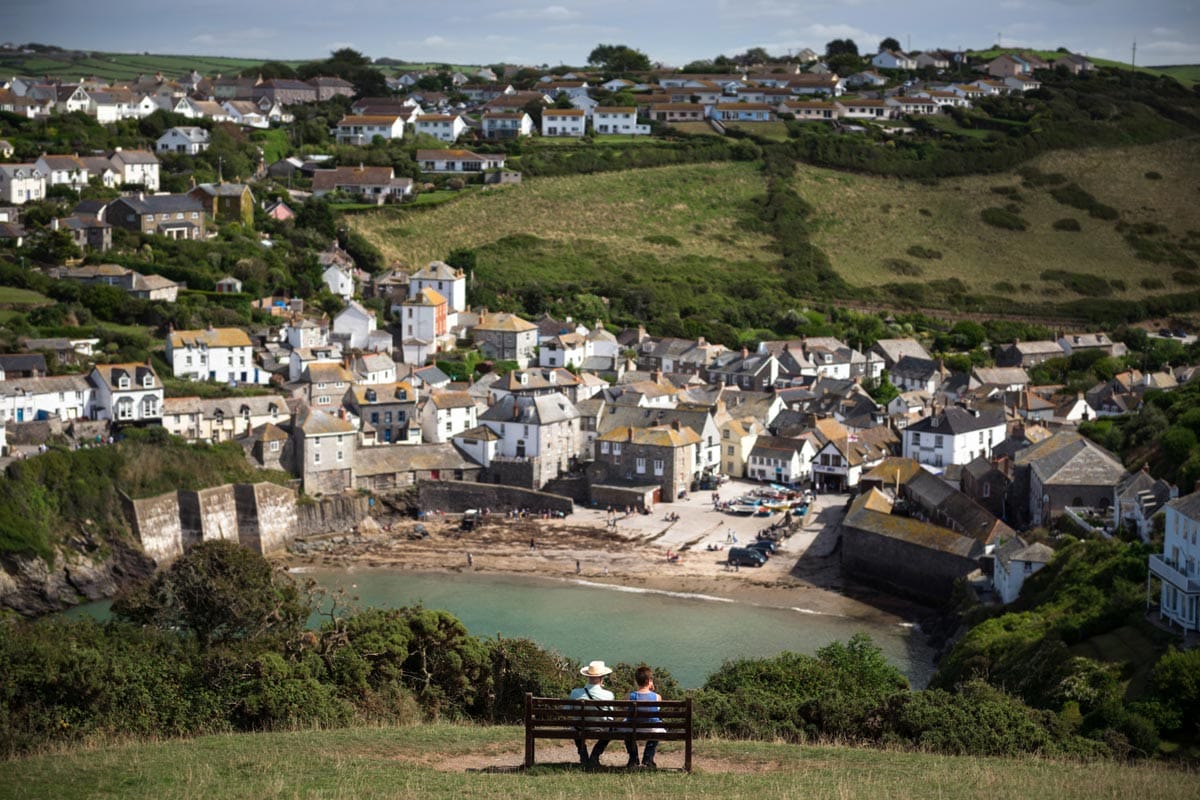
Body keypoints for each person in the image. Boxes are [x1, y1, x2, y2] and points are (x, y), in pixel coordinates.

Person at [569, 660, 615, 766]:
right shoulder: (608, 695)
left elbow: (567, 709)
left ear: (587, 676)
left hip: (579, 728)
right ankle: (595, 755)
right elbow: (611, 717)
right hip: (601, 728)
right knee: (612, 728)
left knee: (574, 725)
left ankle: (583, 754)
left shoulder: (575, 693)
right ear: (602, 677)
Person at [624, 665, 664, 769]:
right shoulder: (657, 697)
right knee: (657, 728)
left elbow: (625, 710)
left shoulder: (629, 696)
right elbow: (657, 710)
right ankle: (648, 759)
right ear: (649, 681)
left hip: (632, 728)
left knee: (626, 727)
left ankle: (633, 759)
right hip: (650, 729)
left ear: (637, 681)